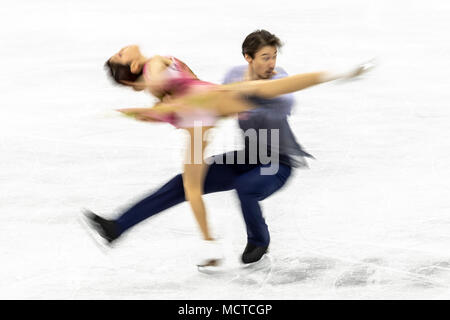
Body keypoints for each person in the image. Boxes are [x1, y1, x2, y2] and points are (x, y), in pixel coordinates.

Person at [84, 31, 372, 265]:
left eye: (271, 58)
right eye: (264, 58)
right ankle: (120, 228)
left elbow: (179, 82)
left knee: (242, 183)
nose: (270, 63)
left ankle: (255, 242)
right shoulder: (154, 66)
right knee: (185, 185)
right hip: (207, 118)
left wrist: (161, 104)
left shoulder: (166, 67)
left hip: (271, 156)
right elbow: (162, 82)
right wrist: (158, 103)